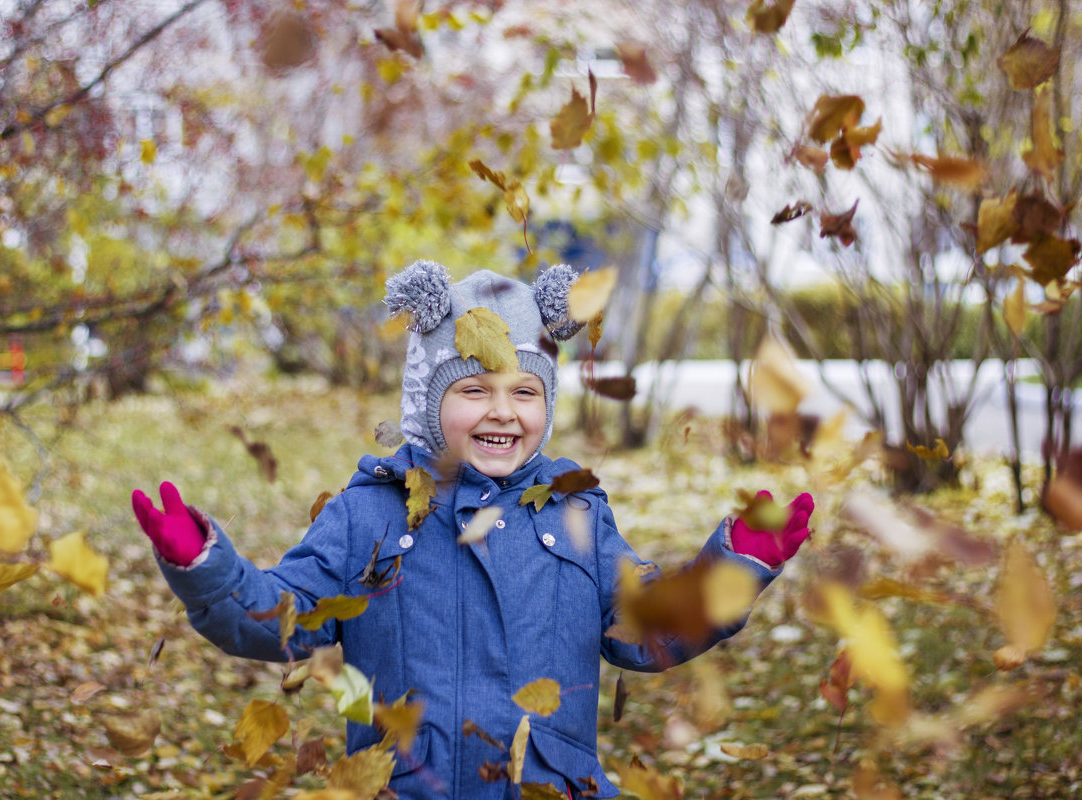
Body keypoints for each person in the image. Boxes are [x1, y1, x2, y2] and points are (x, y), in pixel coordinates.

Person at [131, 261, 813, 799]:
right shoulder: (370, 513)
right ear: (429, 402)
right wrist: (204, 564)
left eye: (524, 392)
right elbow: (277, 620)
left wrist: (732, 571)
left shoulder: (573, 510)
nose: (503, 412)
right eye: (473, 390)